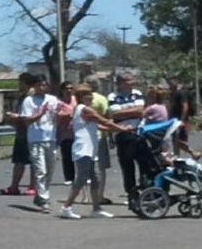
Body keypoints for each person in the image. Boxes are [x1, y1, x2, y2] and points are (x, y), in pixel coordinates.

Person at [60, 85, 134, 219]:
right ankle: (66, 207)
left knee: (95, 179)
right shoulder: (85, 109)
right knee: (82, 178)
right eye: (89, 95)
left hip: (89, 149)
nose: (92, 97)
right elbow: (104, 121)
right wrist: (121, 128)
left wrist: (117, 129)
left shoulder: (80, 109)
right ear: (82, 97)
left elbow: (99, 126)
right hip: (83, 149)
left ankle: (96, 209)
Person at [108, 72, 151, 203]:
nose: (131, 83)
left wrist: (126, 113)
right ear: (120, 83)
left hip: (138, 133)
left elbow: (140, 111)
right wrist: (132, 112)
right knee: (127, 167)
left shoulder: (137, 93)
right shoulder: (113, 96)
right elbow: (114, 114)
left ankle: (146, 191)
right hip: (122, 134)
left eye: (132, 80)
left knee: (145, 164)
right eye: (128, 80)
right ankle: (131, 194)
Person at [20, 75, 59, 213]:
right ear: (35, 86)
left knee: (50, 169)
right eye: (39, 85)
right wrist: (40, 113)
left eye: (44, 85)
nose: (42, 87)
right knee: (40, 170)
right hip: (35, 139)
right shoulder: (29, 101)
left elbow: (58, 114)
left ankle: (41, 194)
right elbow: (26, 120)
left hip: (51, 138)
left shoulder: (52, 99)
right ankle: (44, 199)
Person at [0, 72, 37, 196]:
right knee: (19, 161)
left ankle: (33, 186)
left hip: (31, 132)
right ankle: (14, 186)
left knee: (32, 161)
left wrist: (16, 116)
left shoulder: (32, 96)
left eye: (20, 82)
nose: (18, 84)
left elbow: (30, 115)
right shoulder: (22, 96)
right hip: (21, 132)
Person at [84, 75, 113, 205]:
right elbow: (108, 117)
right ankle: (99, 195)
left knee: (84, 166)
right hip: (100, 135)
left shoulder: (81, 99)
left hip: (84, 135)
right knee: (101, 167)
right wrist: (111, 136)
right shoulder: (101, 99)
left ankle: (85, 196)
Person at [56, 81, 76, 185]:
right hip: (65, 133)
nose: (69, 90)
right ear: (62, 90)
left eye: (71, 88)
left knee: (78, 156)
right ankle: (69, 177)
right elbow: (56, 116)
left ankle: (80, 176)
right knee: (67, 156)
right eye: (66, 88)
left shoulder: (76, 101)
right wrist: (68, 115)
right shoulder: (59, 103)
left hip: (76, 132)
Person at [168, 76, 195, 156]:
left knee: (177, 140)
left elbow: (185, 106)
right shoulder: (173, 94)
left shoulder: (181, 93)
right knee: (175, 139)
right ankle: (177, 157)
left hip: (180, 120)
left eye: (172, 83)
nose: (170, 85)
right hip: (174, 120)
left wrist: (182, 120)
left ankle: (193, 152)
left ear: (177, 83)